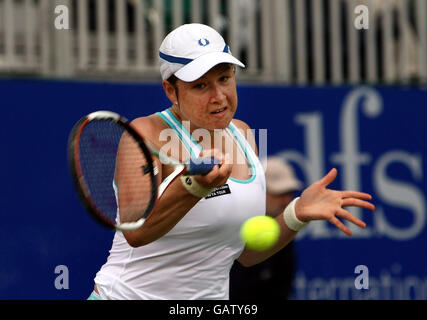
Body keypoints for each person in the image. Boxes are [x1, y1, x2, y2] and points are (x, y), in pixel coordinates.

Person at [87, 23, 375, 300]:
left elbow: (246, 254)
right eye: (201, 86)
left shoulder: (244, 134)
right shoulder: (145, 135)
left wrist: (297, 213)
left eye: (224, 79)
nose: (219, 97)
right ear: (171, 91)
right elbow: (136, 232)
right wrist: (193, 187)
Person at [229, 156, 303, 300]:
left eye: (289, 193)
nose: (285, 201)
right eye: (278, 193)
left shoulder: (285, 237)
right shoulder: (230, 230)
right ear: (258, 190)